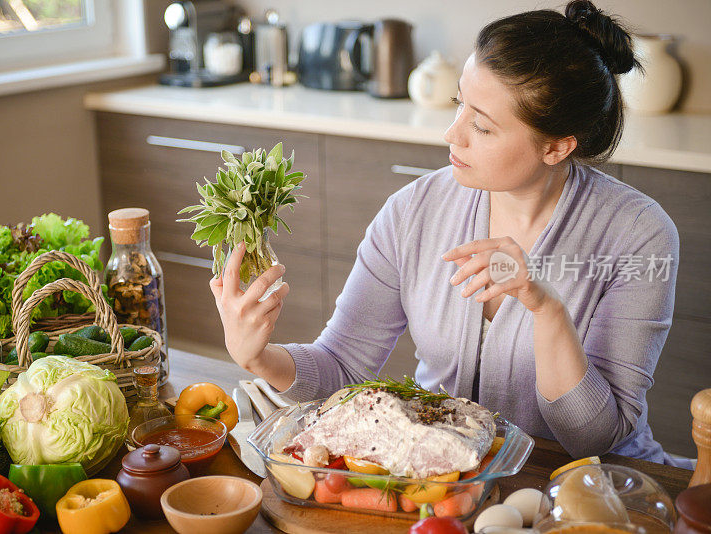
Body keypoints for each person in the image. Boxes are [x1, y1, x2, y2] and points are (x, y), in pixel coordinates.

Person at [210, 1, 686, 465]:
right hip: (449, 476)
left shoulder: (638, 235)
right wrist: (259, 358)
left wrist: (545, 307)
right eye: (461, 104)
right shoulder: (414, 211)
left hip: (592, 482)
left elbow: (595, 438)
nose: (451, 134)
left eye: (481, 126)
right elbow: (343, 366)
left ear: (557, 147)